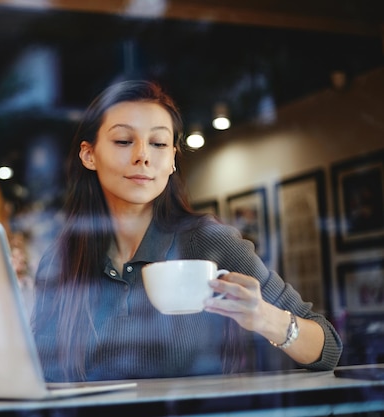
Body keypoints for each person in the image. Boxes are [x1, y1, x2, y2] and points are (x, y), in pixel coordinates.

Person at [30, 80, 342, 382]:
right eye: (124, 141)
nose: (143, 155)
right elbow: (37, 372)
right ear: (89, 155)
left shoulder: (208, 241)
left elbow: (328, 348)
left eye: (159, 143)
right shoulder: (62, 258)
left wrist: (263, 316)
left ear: (172, 162)